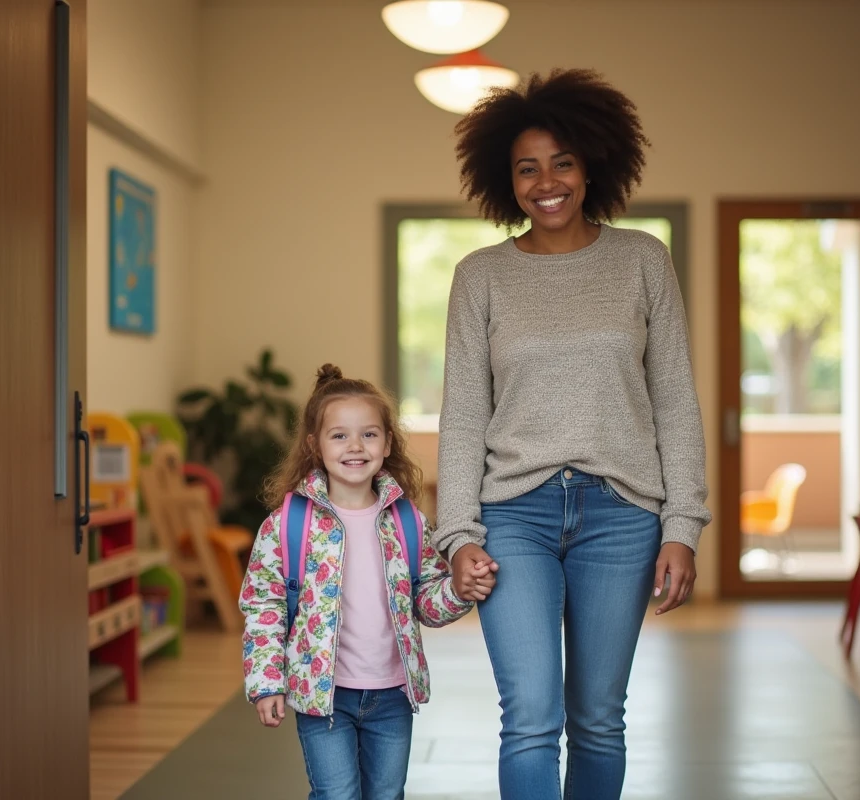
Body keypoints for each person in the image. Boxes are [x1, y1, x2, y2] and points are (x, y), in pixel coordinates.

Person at [432, 69, 712, 800]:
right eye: (527, 167)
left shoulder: (643, 260)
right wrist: (458, 536)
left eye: (562, 161)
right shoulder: (480, 276)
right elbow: (463, 414)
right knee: (529, 716)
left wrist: (682, 526)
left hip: (621, 516)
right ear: (506, 180)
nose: (546, 181)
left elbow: (676, 401)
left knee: (597, 719)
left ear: (593, 166)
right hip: (513, 516)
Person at [240, 364, 495, 800]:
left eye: (369, 434)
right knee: (337, 794)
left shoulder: (407, 521)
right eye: (339, 435)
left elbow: (426, 601)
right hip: (324, 698)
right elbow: (263, 607)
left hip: (392, 694)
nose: (355, 446)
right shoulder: (287, 525)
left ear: (387, 442)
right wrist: (266, 681)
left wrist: (457, 589)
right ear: (314, 446)